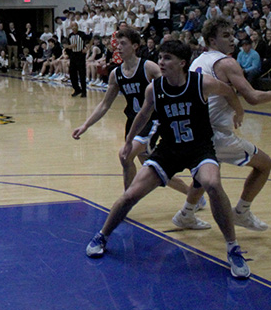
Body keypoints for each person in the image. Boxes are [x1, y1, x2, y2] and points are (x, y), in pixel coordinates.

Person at [84, 40, 251, 280]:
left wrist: (239, 110)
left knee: (213, 185)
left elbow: (229, 91)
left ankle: (233, 248)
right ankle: (102, 235)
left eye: (167, 58)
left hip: (199, 148)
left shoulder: (202, 83)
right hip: (168, 150)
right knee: (131, 194)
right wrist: (129, 141)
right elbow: (143, 114)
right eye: (160, 57)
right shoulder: (154, 89)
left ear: (182, 63)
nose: (161, 62)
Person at [72, 27, 205, 222]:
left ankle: (127, 201)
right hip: (133, 122)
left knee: (125, 155)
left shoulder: (149, 67)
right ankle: (193, 195)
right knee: (153, 168)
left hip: (153, 121)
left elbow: (171, 86)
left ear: (135, 46)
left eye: (123, 43)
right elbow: (104, 104)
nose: (118, 47)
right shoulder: (116, 74)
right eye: (116, 43)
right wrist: (85, 125)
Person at [173, 18, 271, 232]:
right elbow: (251, 96)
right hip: (216, 133)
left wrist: (237, 109)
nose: (232, 39)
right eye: (225, 35)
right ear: (212, 40)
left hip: (194, 131)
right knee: (264, 165)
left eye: (232, 33)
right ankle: (242, 212)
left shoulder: (197, 61)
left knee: (206, 172)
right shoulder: (226, 62)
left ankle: (185, 214)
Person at [66, 23, 88, 98]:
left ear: (77, 27)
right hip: (73, 56)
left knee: (82, 74)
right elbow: (67, 46)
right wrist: (70, 47)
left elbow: (90, 40)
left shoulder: (82, 34)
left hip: (80, 55)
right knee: (72, 74)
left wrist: (86, 48)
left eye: (75, 26)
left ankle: (84, 91)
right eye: (72, 26)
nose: (74, 27)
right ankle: (77, 89)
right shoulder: (70, 35)